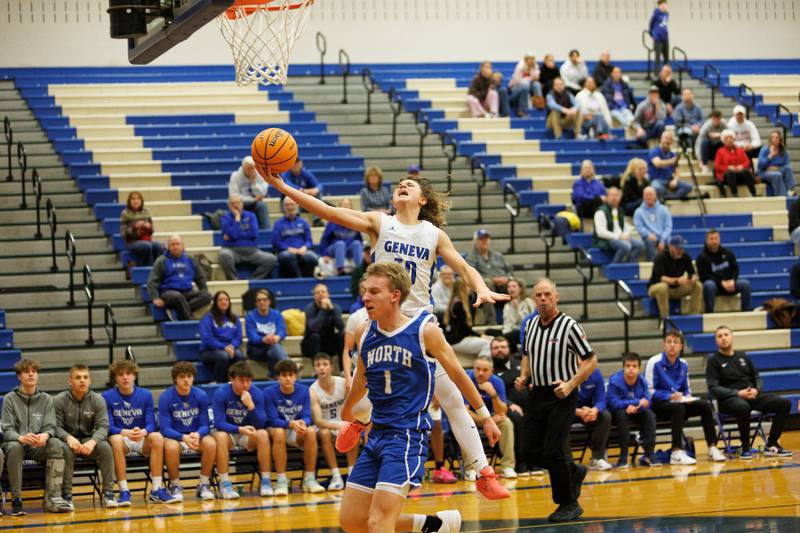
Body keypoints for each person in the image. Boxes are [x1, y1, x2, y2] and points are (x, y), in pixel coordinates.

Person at [263, 169, 510, 500]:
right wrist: (282, 186)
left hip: (418, 321)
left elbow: (464, 268)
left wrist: (481, 288)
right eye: (399, 186)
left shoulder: (433, 234)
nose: (402, 186)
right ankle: (360, 421)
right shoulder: (380, 222)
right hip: (379, 320)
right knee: (367, 386)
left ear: (422, 200)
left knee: (450, 396)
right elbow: (329, 211)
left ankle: (483, 471)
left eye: (410, 185)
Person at [338, 262, 500, 532]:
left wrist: (486, 417)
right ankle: (432, 525)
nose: (365, 297)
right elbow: (359, 385)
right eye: (365, 290)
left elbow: (460, 376)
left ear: (395, 295)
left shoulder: (425, 330)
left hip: (406, 437)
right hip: (376, 435)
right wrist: (349, 418)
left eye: (374, 291)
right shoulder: (364, 333)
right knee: (353, 521)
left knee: (379, 522)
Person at [515, 279, 596, 522]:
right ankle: (573, 470)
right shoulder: (530, 326)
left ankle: (569, 503)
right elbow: (527, 355)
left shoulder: (569, 326)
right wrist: (523, 376)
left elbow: (591, 361)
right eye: (538, 294)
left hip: (562, 394)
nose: (542, 299)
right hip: (536, 395)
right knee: (528, 452)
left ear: (556, 297)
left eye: (547, 294)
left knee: (553, 451)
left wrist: (571, 384)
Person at [706, 326, 792, 459]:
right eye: (720, 336)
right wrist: (738, 393)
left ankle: (772, 444)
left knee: (784, 403)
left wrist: (756, 390)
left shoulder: (742, 356)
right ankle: (745, 446)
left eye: (726, 335)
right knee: (742, 407)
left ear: (732, 337)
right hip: (729, 400)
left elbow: (757, 377)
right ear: (716, 341)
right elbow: (713, 388)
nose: (723, 338)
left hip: (751, 396)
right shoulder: (713, 360)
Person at [2, 359, 71, 515]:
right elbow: (6, 430)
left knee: (55, 444)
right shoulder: (9, 399)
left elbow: (50, 426)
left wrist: (45, 436)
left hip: (37, 446)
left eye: (34, 371)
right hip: (16, 445)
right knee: (14, 446)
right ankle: (17, 500)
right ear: (19, 376)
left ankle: (53, 498)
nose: (31, 374)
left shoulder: (46, 399)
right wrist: (21, 437)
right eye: (27, 371)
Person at [103, 360, 176, 505]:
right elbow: (108, 426)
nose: (125, 377)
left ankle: (156, 490)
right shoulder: (107, 396)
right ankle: (124, 491)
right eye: (120, 374)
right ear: (115, 378)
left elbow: (151, 423)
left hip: (141, 438)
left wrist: (143, 431)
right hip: (122, 438)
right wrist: (125, 432)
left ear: (134, 376)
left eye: (128, 374)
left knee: (157, 437)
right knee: (115, 439)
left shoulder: (145, 394)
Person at [649, 331, 727, 464]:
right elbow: (649, 392)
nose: (672, 345)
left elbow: (686, 389)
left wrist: (688, 397)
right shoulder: (654, 362)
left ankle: (712, 447)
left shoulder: (683, 364)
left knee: (705, 406)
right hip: (659, 404)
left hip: (679, 402)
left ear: (681, 346)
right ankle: (676, 452)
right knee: (678, 408)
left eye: (676, 342)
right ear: (664, 345)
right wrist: (669, 396)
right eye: (669, 342)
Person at [55, 363, 116, 509]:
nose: (82, 380)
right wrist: (68, 438)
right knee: (65, 450)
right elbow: (54, 427)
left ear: (90, 380)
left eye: (85, 377)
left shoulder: (98, 400)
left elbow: (103, 426)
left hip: (89, 442)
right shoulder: (59, 400)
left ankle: (109, 494)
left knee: (105, 447)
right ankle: (67, 495)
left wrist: (93, 442)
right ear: (70, 381)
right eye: (78, 377)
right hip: (68, 442)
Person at [211, 361, 274, 498]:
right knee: (220, 436)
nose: (245, 385)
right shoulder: (221, 393)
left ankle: (266, 481)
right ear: (232, 379)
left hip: (247, 434)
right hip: (230, 433)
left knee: (263, 434)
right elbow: (219, 423)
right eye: (241, 381)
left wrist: (251, 406)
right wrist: (240, 429)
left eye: (248, 381)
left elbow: (261, 423)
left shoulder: (256, 394)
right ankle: (225, 484)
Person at [264, 359, 326, 494]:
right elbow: (272, 420)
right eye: (284, 375)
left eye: (290, 375)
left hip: (295, 429)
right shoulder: (269, 392)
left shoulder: (304, 390)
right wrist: (290, 424)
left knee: (310, 431)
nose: (287, 378)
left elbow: (307, 416)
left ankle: (309, 479)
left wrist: (302, 423)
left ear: (296, 376)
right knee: (279, 431)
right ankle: (281, 480)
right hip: (277, 429)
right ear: (278, 377)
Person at [158, 361, 217, 502]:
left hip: (195, 436)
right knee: (171, 447)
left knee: (210, 443)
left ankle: (203, 484)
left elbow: (205, 424)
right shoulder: (166, 397)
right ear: (175, 379)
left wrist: (197, 434)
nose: (186, 380)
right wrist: (183, 437)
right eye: (182, 376)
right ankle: (175, 485)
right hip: (176, 437)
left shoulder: (201, 395)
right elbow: (165, 428)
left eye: (189, 376)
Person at [464, 355, 517, 479]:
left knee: (506, 423)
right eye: (477, 369)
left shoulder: (497, 382)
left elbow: (502, 411)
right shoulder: (466, 380)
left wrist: (493, 394)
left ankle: (508, 467)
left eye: (485, 370)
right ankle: (470, 469)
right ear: (473, 369)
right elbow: (465, 412)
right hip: (471, 420)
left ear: (491, 372)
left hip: (490, 420)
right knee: (465, 424)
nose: (480, 373)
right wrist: (489, 420)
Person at [310, 353, 357, 490]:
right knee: (324, 433)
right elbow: (318, 421)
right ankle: (336, 475)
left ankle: (352, 473)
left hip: (344, 421)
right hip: (326, 426)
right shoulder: (313, 390)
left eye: (325, 364)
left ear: (331, 367)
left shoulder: (343, 383)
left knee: (351, 428)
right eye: (318, 365)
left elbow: (353, 407)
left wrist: (347, 423)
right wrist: (338, 425)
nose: (321, 368)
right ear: (314, 369)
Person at [606, 353, 657, 467]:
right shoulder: (615, 381)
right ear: (623, 367)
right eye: (628, 366)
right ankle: (623, 455)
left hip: (636, 411)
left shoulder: (642, 380)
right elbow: (613, 402)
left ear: (639, 368)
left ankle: (649, 453)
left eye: (634, 366)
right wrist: (632, 404)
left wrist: (643, 404)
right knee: (622, 415)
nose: (631, 369)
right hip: (618, 412)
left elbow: (648, 400)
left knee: (649, 414)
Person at [147, 234, 212, 321]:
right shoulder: (161, 260)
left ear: (183, 246)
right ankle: (189, 323)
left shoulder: (190, 259)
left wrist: (203, 289)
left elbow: (200, 277)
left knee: (207, 295)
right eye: (172, 245)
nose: (175, 247)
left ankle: (177, 311)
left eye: (178, 244)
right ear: (168, 247)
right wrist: (155, 298)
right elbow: (152, 281)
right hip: (169, 292)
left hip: (188, 291)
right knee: (178, 297)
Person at [219, 194, 276, 280]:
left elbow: (254, 234)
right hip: (232, 250)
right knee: (224, 255)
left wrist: (233, 235)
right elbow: (234, 235)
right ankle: (234, 280)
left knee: (271, 259)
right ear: (229, 206)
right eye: (232, 203)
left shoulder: (251, 216)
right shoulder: (225, 217)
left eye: (237, 202)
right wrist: (237, 219)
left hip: (252, 251)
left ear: (242, 204)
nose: (235, 205)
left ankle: (253, 280)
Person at [647, 235, 702, 319]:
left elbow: (692, 273)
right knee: (663, 287)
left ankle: (694, 316)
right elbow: (661, 278)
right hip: (656, 286)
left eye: (681, 248)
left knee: (697, 285)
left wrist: (693, 278)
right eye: (677, 248)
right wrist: (677, 281)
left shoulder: (685, 257)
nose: (680, 251)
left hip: (677, 288)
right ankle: (665, 320)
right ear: (670, 246)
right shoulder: (660, 257)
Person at [696, 229, 751, 312]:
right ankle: (709, 313)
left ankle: (746, 312)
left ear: (719, 239)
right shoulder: (701, 257)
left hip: (730, 284)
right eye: (711, 239)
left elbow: (735, 269)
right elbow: (704, 276)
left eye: (716, 238)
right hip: (715, 286)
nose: (714, 241)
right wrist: (721, 282)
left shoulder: (728, 253)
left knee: (745, 284)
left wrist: (733, 280)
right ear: (706, 240)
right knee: (708, 285)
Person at [466, 228, 514, 323]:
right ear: (475, 241)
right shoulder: (471, 257)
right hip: (484, 286)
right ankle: (491, 321)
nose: (485, 241)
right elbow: (470, 274)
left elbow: (510, 271)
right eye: (481, 239)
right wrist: (491, 279)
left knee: (515, 284)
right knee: (488, 283)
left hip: (502, 284)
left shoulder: (498, 255)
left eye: (486, 239)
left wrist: (507, 278)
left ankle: (516, 318)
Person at [199, 291, 245, 383]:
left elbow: (238, 337)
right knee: (223, 356)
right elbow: (207, 338)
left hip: (230, 348)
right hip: (209, 350)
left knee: (239, 356)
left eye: (226, 300)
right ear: (215, 302)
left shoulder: (234, 318)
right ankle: (218, 382)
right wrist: (223, 347)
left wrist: (231, 346)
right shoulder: (208, 318)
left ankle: (236, 381)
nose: (224, 302)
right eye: (220, 300)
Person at [572, 368, 612, 471]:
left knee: (605, 416)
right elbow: (559, 403)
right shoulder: (564, 372)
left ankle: (597, 458)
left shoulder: (595, 373)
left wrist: (595, 410)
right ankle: (566, 461)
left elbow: (602, 399)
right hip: (568, 410)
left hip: (588, 411)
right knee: (559, 418)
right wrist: (578, 411)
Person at [592, 186, 644, 264]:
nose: (614, 198)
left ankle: (629, 264)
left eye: (616, 195)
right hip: (605, 240)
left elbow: (625, 226)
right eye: (612, 195)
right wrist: (618, 237)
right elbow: (601, 232)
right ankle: (613, 268)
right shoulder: (601, 212)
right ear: (607, 198)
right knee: (626, 246)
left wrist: (625, 235)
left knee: (640, 245)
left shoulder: (620, 210)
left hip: (620, 237)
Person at [245, 289, 289, 376]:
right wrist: (263, 339)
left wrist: (278, 337)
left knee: (271, 353)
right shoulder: (250, 315)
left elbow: (282, 331)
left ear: (269, 301)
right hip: (256, 349)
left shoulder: (276, 314)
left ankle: (272, 376)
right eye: (259, 300)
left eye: (264, 299)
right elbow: (252, 336)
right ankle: (289, 365)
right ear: (256, 303)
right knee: (273, 345)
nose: (262, 302)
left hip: (273, 347)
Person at [272, 196, 318, 278]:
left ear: (297, 206)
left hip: (302, 250)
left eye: (292, 204)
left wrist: (305, 247)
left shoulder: (304, 222)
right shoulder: (278, 223)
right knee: (287, 256)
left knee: (313, 257)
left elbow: (309, 240)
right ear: (283, 207)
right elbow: (276, 242)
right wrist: (288, 248)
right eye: (287, 205)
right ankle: (299, 278)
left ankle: (306, 278)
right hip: (286, 251)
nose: (290, 207)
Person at [301, 283, 345, 362]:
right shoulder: (309, 308)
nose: (320, 294)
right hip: (311, 345)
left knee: (341, 336)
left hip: (329, 344)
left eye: (323, 292)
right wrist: (323, 310)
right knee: (315, 336)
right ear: (314, 296)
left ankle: (343, 370)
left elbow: (342, 327)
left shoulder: (335, 307)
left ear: (328, 294)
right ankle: (316, 367)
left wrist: (332, 310)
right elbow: (314, 328)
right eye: (317, 292)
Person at [320, 198, 364, 275]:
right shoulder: (332, 221)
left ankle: (360, 270)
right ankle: (340, 270)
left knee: (356, 243)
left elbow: (359, 240)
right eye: (343, 205)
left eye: (347, 205)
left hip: (349, 249)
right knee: (340, 244)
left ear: (351, 208)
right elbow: (324, 240)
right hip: (334, 249)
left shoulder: (355, 222)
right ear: (339, 207)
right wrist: (325, 255)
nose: (345, 207)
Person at [120, 191, 161, 269]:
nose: (136, 201)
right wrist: (135, 226)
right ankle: (147, 270)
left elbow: (152, 231)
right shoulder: (125, 213)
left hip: (146, 239)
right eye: (133, 199)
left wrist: (148, 227)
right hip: (132, 242)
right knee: (146, 246)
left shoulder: (146, 212)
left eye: (138, 199)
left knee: (158, 246)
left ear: (141, 201)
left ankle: (157, 270)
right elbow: (124, 233)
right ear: (129, 201)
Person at [228, 156, 270, 229]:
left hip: (255, 203)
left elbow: (262, 194)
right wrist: (253, 199)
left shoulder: (260, 174)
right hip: (241, 202)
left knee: (262, 206)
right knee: (233, 204)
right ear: (243, 167)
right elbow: (233, 195)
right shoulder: (235, 175)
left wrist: (253, 183)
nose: (250, 170)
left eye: (252, 168)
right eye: (248, 168)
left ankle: (266, 231)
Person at [648, 130, 692, 199]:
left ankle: (670, 197)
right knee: (656, 187)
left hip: (669, 181)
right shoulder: (654, 151)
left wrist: (675, 180)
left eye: (670, 139)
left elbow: (677, 172)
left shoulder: (672, 154)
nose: (667, 141)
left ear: (672, 142)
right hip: (656, 180)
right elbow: (657, 163)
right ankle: (673, 196)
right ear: (661, 139)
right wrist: (671, 161)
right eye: (666, 138)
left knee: (688, 186)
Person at [633, 186, 672, 261]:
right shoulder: (638, 212)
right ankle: (652, 264)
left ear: (655, 196)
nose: (648, 197)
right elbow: (639, 228)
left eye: (650, 194)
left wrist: (662, 239)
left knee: (673, 243)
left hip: (663, 237)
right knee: (649, 241)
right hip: (648, 238)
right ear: (643, 197)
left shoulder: (664, 209)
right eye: (646, 195)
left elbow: (668, 227)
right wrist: (648, 234)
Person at [714, 129, 756, 198]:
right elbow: (717, 166)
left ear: (733, 139)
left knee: (745, 172)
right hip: (727, 176)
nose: (729, 140)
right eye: (726, 138)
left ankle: (753, 193)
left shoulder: (740, 150)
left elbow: (747, 161)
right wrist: (728, 167)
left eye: (730, 137)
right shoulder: (720, 151)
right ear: (723, 141)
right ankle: (734, 194)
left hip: (739, 173)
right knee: (730, 173)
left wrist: (741, 166)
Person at [758, 130, 796, 197]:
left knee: (788, 168)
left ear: (780, 139)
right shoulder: (764, 149)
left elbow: (787, 164)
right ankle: (783, 196)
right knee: (777, 175)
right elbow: (761, 166)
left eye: (777, 137)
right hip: (764, 172)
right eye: (773, 137)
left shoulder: (783, 151)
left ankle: (790, 190)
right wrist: (770, 156)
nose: (775, 139)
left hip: (778, 170)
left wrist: (775, 168)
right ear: (770, 139)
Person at [502, 278, 534, 348]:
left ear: (520, 289)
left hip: (524, 331)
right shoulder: (507, 305)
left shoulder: (527, 302)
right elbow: (507, 323)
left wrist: (518, 308)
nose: (511, 289)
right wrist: (504, 334)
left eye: (514, 286)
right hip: (511, 332)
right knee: (489, 332)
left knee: (509, 336)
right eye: (509, 287)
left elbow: (528, 321)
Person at [648, 0, 670, 77]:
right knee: (657, 58)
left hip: (665, 38)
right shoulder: (655, 13)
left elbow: (664, 25)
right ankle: (656, 75)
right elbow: (651, 24)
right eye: (662, 5)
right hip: (658, 39)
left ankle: (667, 74)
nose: (664, 6)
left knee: (666, 58)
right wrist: (652, 34)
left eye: (665, 4)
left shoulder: (667, 14)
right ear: (659, 6)